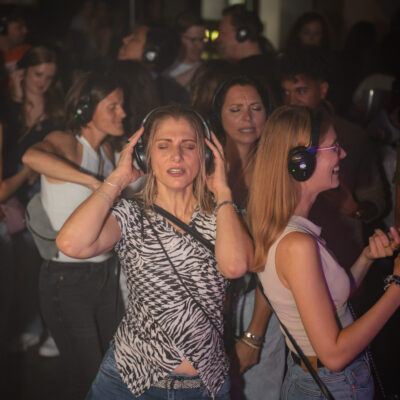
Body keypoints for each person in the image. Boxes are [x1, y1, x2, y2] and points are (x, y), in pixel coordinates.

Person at [55, 104, 253, 399]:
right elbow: (71, 244)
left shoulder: (224, 215)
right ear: (144, 155)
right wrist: (118, 178)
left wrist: (223, 191)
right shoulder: (130, 214)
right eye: (163, 146)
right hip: (127, 380)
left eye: (189, 146)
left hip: (204, 385)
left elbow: (235, 267)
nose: (177, 156)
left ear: (206, 155)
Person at [247, 104, 400, 399]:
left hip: (323, 381)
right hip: (333, 383)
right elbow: (334, 354)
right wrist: (397, 287)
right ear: (301, 162)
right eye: (335, 147)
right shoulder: (297, 245)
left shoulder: (288, 229)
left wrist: (366, 257)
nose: (343, 154)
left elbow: (329, 301)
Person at [22, 72, 126, 399]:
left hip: (106, 274)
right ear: (86, 109)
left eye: (122, 105)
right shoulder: (68, 142)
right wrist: (94, 183)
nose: (122, 113)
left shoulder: (108, 150)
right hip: (67, 280)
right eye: (113, 106)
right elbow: (31, 157)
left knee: (113, 369)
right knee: (87, 377)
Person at [210, 75, 285, 400]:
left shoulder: (276, 171)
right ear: (219, 116)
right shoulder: (202, 167)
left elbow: (275, 261)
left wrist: (254, 335)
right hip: (209, 302)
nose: (247, 118)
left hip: (261, 301)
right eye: (236, 109)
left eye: (256, 108)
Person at [279, 46, 386, 270]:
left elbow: (377, 200)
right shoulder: (276, 136)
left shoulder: (351, 137)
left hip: (342, 255)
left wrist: (354, 208)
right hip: (290, 256)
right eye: (286, 92)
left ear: (323, 89)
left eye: (300, 91)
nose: (292, 100)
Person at [4, 44, 64, 356]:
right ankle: (32, 326)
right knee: (25, 266)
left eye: (49, 77)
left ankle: (52, 330)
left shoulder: (57, 109)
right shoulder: (10, 110)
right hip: (16, 194)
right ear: (23, 73)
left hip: (47, 191)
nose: (43, 82)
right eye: (38, 74)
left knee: (49, 265)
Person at [216, 4, 278, 102]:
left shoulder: (242, 76)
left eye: (222, 33)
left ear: (242, 34)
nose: (218, 39)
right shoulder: (274, 65)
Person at [118, 23, 189, 105]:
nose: (125, 39)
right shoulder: (115, 80)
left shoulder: (171, 97)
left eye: (135, 38)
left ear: (151, 54)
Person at [164, 10, 205, 90]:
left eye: (202, 40)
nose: (200, 46)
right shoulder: (164, 68)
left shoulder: (207, 70)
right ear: (178, 39)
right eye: (193, 40)